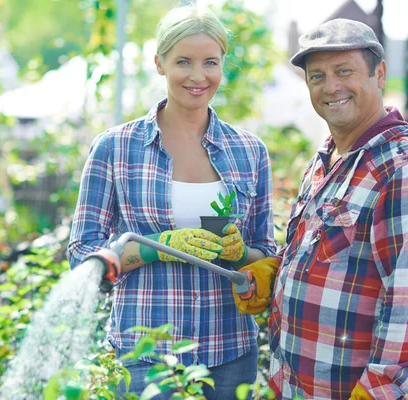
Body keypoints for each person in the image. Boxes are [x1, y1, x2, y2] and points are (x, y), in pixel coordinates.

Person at [67, 6, 276, 399]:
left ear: (222, 65)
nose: (198, 76)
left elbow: (268, 254)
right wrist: (155, 249)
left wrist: (242, 252)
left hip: (231, 353)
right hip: (146, 356)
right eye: (184, 62)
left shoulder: (249, 151)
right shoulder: (115, 148)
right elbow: (83, 256)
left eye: (210, 62)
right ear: (159, 64)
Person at [233, 18, 408, 399]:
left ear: (380, 73)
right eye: (317, 76)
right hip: (293, 386)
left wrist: (376, 392)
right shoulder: (327, 158)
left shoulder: (405, 167)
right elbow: (330, 256)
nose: (331, 87)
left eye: (344, 71)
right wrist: (275, 275)